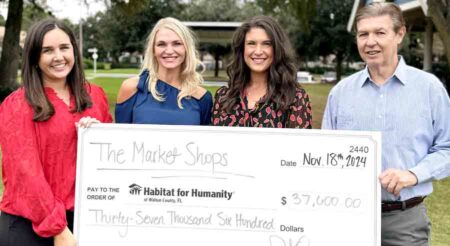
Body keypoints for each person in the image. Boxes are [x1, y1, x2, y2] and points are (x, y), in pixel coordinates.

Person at [322, 3, 450, 246]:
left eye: (380, 33)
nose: (370, 42)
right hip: (348, 217)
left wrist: (413, 174)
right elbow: (326, 156)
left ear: (399, 34)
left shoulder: (429, 88)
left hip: (405, 221)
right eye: (363, 34)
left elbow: (447, 148)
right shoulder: (340, 93)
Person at [0, 19, 112, 246]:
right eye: (47, 50)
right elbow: (25, 173)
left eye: (64, 47)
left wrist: (100, 135)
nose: (58, 57)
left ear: (74, 50)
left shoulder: (95, 96)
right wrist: (58, 229)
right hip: (31, 224)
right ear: (34, 57)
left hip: (86, 219)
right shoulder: (17, 105)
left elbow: (109, 160)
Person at [211, 16, 312, 128]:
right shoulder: (223, 97)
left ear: (277, 49)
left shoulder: (295, 98)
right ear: (242, 49)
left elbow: (301, 145)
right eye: (251, 43)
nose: (258, 51)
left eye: (266, 43)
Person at [115, 17, 212, 125]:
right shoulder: (132, 88)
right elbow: (120, 138)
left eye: (177, 43)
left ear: (186, 49)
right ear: (153, 50)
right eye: (161, 44)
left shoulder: (202, 97)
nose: (169, 51)